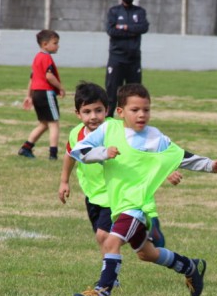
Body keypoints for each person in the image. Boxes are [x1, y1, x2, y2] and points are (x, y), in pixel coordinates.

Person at [69, 83, 217, 296]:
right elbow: (79, 152)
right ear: (120, 112)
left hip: (137, 205)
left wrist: (210, 165)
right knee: (146, 253)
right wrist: (104, 152)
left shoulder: (155, 138)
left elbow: (181, 156)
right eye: (135, 110)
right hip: (118, 204)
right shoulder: (107, 131)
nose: (142, 114)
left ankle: (101, 293)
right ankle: (190, 267)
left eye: (146, 109)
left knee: (111, 242)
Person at [58, 81, 180, 254]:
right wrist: (64, 181)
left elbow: (146, 151)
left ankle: (109, 279)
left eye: (98, 110)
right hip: (93, 195)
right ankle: (149, 232)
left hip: (117, 193)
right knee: (130, 246)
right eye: (87, 111)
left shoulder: (116, 130)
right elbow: (70, 155)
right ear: (78, 114)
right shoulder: (75, 134)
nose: (93, 116)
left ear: (107, 110)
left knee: (104, 237)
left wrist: (168, 170)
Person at [19, 29, 64, 160]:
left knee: (44, 123)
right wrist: (60, 87)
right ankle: (53, 155)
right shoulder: (46, 58)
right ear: (45, 44)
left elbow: (32, 78)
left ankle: (26, 148)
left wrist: (28, 95)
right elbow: (49, 76)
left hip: (37, 94)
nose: (57, 46)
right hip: (46, 93)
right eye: (55, 43)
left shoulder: (37, 58)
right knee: (54, 124)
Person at [106, 0, 150, 115]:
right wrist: (132, 30)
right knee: (111, 92)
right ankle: (108, 120)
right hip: (116, 58)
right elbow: (111, 31)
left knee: (134, 92)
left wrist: (124, 27)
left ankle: (132, 119)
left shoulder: (140, 12)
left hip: (133, 59)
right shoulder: (114, 11)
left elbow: (143, 28)